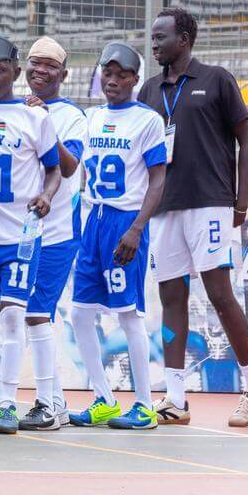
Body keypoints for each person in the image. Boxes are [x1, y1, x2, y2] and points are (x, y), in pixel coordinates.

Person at [139, 6, 248, 427]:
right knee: (171, 298)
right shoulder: (148, 89)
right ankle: (175, 399)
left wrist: (241, 201)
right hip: (164, 207)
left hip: (211, 202)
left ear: (184, 39)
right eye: (152, 36)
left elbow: (247, 144)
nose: (154, 43)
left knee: (218, 293)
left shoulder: (217, 80)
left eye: (161, 36)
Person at [69, 41, 167, 431]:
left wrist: (137, 227)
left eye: (121, 73)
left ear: (134, 78)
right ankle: (104, 397)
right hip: (94, 217)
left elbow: (158, 178)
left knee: (128, 314)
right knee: (79, 313)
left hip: (125, 220)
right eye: (107, 73)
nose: (112, 80)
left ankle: (144, 404)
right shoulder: (91, 117)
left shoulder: (147, 120)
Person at [0, 34, 61, 434]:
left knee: (13, 317)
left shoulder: (34, 116)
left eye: (1, 68)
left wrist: (45, 194)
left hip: (21, 235)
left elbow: (55, 168)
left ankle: (8, 401)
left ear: (16, 72)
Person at [20, 37, 86, 431]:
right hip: (20, 232)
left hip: (58, 232)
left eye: (49, 66)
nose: (40, 71)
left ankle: (49, 403)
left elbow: (70, 164)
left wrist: (44, 120)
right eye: (34, 63)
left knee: (36, 313)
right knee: (17, 314)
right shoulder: (13, 107)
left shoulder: (71, 115)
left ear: (63, 74)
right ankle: (50, 400)